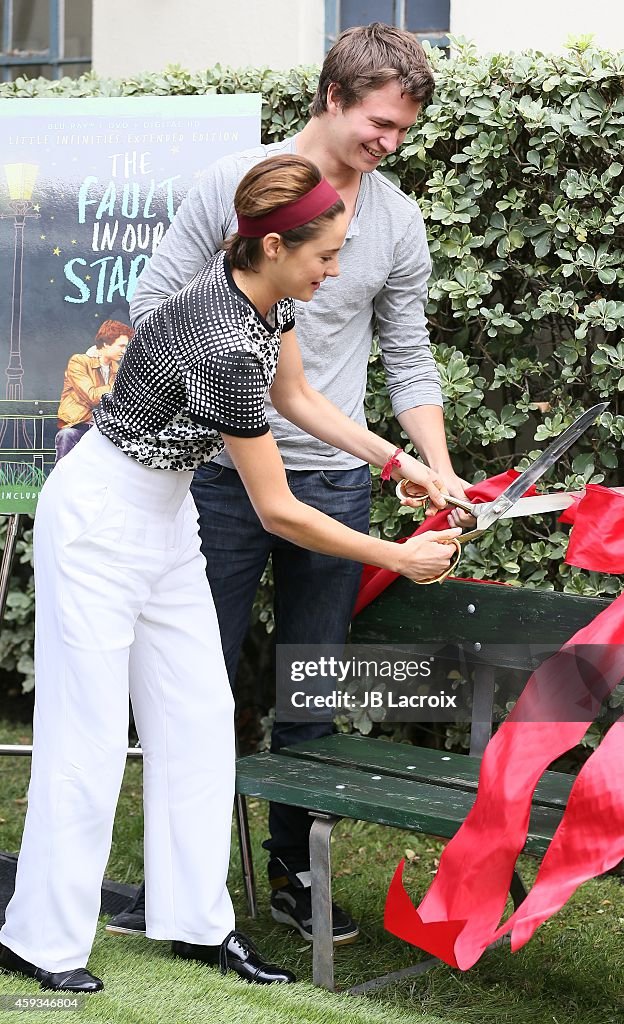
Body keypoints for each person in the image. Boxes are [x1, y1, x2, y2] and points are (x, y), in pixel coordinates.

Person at [0, 154, 460, 994]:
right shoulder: (221, 341)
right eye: (325, 256)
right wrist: (398, 556)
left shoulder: (264, 294)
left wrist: (397, 462)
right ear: (276, 244)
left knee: (202, 717)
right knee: (90, 734)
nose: (335, 270)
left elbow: (303, 401)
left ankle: (196, 924)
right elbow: (279, 509)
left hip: (167, 519)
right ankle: (40, 938)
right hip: (100, 518)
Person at [109, 22, 470, 948]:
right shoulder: (229, 189)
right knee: (197, 684)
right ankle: (176, 882)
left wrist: (430, 467)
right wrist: (234, 388)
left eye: (404, 131)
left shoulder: (394, 220)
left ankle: (292, 885)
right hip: (224, 484)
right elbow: (153, 314)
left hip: (338, 480)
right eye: (379, 123)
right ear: (332, 98)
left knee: (311, 691)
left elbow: (407, 355)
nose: (389, 144)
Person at [54, 320, 133, 461]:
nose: (124, 351)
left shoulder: (117, 370)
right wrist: (121, 385)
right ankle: (62, 479)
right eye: (121, 346)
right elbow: (92, 396)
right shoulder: (79, 362)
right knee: (66, 435)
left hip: (105, 428)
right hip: (79, 425)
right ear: (106, 343)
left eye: (126, 346)